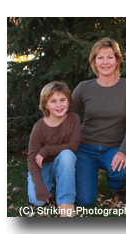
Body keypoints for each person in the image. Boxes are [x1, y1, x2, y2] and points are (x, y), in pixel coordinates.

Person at [71, 37, 126, 207]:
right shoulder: (83, 87)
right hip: (85, 148)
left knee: (123, 169)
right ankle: (85, 175)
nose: (105, 62)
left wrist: (123, 151)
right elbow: (68, 117)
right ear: (94, 61)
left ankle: (116, 187)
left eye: (110, 57)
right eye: (100, 57)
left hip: (113, 148)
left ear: (117, 61)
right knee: (85, 201)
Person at [27, 81, 81, 217]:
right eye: (53, 101)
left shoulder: (74, 119)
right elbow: (31, 159)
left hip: (62, 163)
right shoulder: (39, 127)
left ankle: (66, 203)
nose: (59, 105)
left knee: (67, 155)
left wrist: (45, 150)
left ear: (68, 101)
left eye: (63, 100)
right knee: (38, 201)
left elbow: (72, 146)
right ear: (45, 104)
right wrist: (39, 186)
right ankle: (49, 183)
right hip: (42, 166)